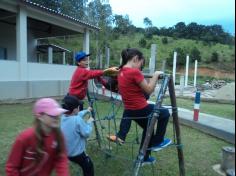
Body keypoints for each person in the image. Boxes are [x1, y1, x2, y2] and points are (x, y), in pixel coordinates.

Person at [108, 48, 171, 165]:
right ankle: (158, 141)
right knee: (165, 113)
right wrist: (156, 75)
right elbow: (149, 90)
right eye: (141, 64)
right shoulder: (134, 72)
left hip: (130, 110)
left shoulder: (120, 72)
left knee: (149, 128)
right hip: (141, 108)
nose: (140, 68)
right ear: (136, 59)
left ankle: (143, 158)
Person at [5, 98, 70, 176]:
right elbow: (12, 167)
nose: (57, 117)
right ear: (39, 116)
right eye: (52, 115)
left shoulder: (58, 135)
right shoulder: (25, 137)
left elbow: (61, 158)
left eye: (58, 114)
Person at [60, 95, 94, 176]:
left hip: (65, 152)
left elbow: (77, 114)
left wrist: (87, 111)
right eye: (78, 107)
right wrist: (90, 121)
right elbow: (87, 133)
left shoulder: (63, 117)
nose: (79, 109)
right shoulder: (77, 120)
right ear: (75, 109)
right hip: (76, 154)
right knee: (88, 166)